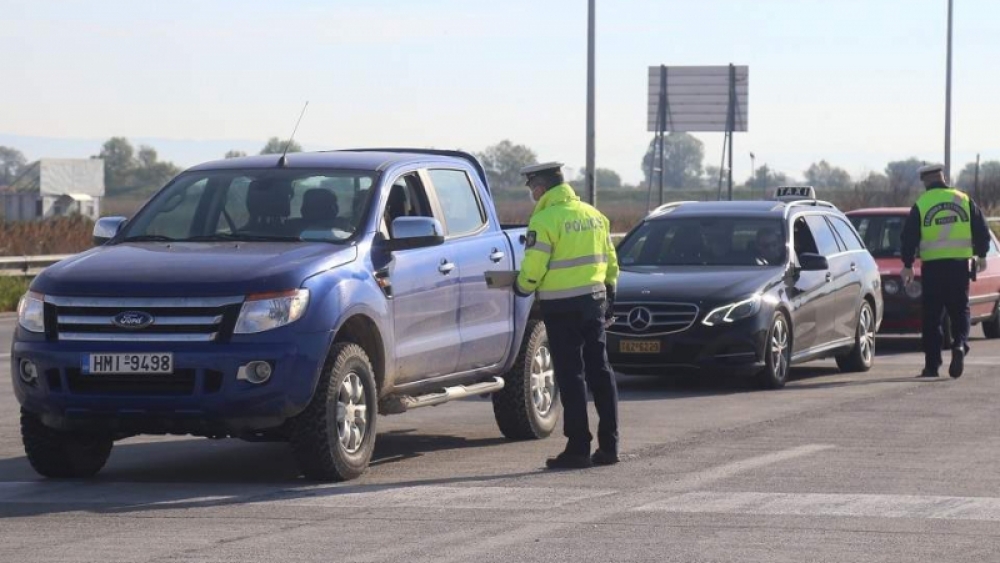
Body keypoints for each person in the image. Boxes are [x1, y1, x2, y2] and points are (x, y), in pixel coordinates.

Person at [513, 161, 621, 469]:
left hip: (561, 308)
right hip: (594, 302)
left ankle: (577, 448)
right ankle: (610, 446)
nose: (532, 195)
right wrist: (610, 294)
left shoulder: (545, 220)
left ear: (542, 188)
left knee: (571, 376)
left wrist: (521, 287)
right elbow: (611, 263)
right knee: (601, 371)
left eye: (533, 188)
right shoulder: (595, 216)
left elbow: (534, 267)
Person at [900, 163, 991, 379]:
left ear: (925, 181)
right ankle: (959, 344)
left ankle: (932, 366)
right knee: (960, 311)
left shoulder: (922, 204)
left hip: (932, 269)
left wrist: (907, 264)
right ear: (944, 178)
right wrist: (982, 254)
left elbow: (909, 236)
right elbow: (982, 229)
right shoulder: (963, 199)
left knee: (932, 318)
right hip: (959, 267)